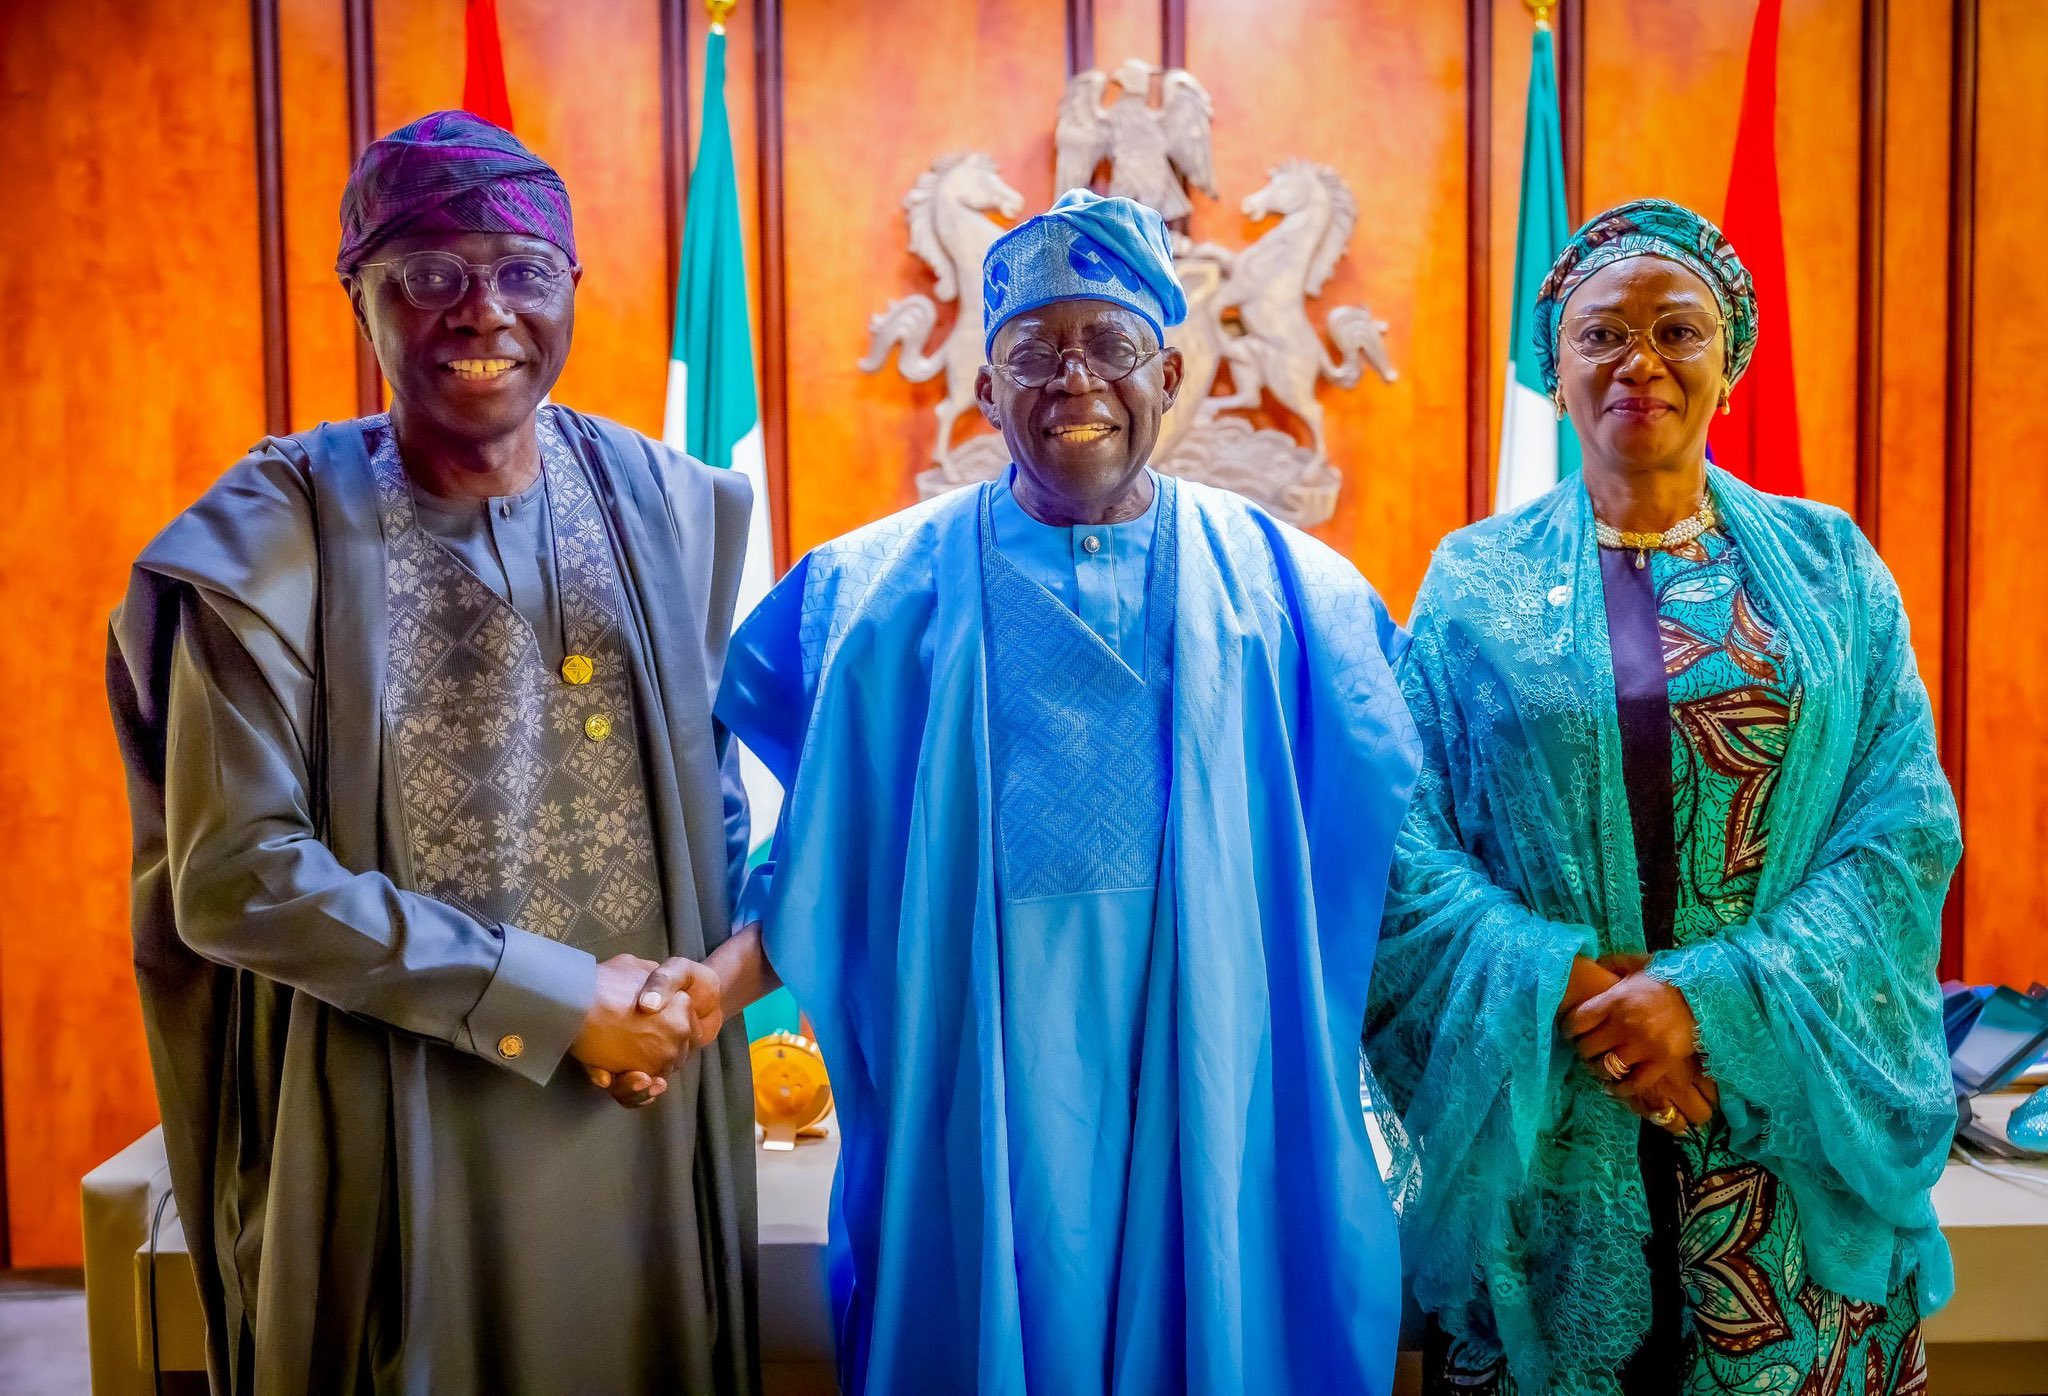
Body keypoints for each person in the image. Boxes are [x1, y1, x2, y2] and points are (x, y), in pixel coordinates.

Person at [706, 189, 1421, 1394]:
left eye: (1110, 344)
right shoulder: (874, 596)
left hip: (1214, 1059)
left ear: (1171, 371)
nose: (1073, 377)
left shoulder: (1296, 595)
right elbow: (822, 845)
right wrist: (703, 987)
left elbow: (1400, 848)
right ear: (985, 390)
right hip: (975, 1068)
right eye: (1034, 352)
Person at [107, 111, 760, 1396]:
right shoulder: (264, 540)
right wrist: (563, 1003)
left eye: (521, 270)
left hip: (643, 1113)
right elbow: (236, 874)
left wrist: (689, 999)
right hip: (391, 1114)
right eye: (430, 275)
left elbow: (716, 801)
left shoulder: (667, 505)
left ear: (573, 287)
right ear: (361, 298)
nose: (483, 312)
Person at [1367, 198, 1957, 1394]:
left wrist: (1705, 1000)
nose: (1638, 361)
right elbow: (1402, 837)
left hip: (1776, 1135)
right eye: (1601, 334)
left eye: (1676, 330)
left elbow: (1900, 828)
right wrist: (1574, 990)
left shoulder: (1828, 569)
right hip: (1549, 1117)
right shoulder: (1471, 582)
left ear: (1726, 361)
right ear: (1556, 364)